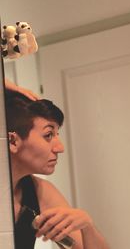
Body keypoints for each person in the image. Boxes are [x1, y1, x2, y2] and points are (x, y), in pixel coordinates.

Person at [6, 89, 109, 249]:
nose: (60, 148)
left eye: (57, 134)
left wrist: (87, 226)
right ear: (12, 141)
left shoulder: (40, 191)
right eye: (48, 135)